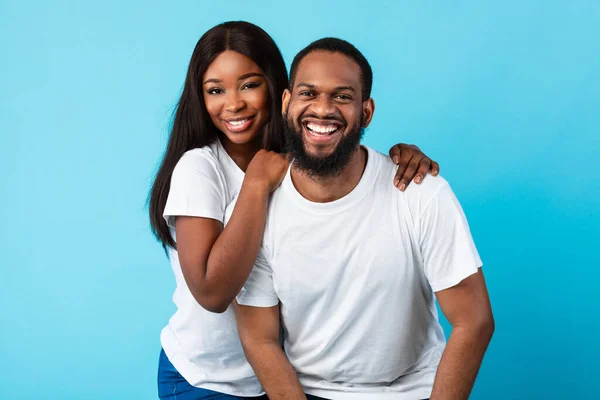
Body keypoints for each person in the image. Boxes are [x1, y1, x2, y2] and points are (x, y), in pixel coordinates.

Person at [148, 22, 440, 399]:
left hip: (279, 377)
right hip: (208, 380)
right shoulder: (199, 168)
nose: (233, 103)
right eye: (215, 90)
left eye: (250, 84)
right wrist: (255, 185)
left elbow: (352, 162)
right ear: (199, 98)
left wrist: (404, 155)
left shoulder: (300, 159)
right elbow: (212, 293)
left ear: (279, 92)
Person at [234, 37, 495, 400]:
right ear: (287, 103)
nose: (323, 109)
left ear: (366, 111)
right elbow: (258, 336)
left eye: (342, 96)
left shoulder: (420, 192)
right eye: (309, 93)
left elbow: (474, 320)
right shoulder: (259, 205)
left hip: (413, 391)